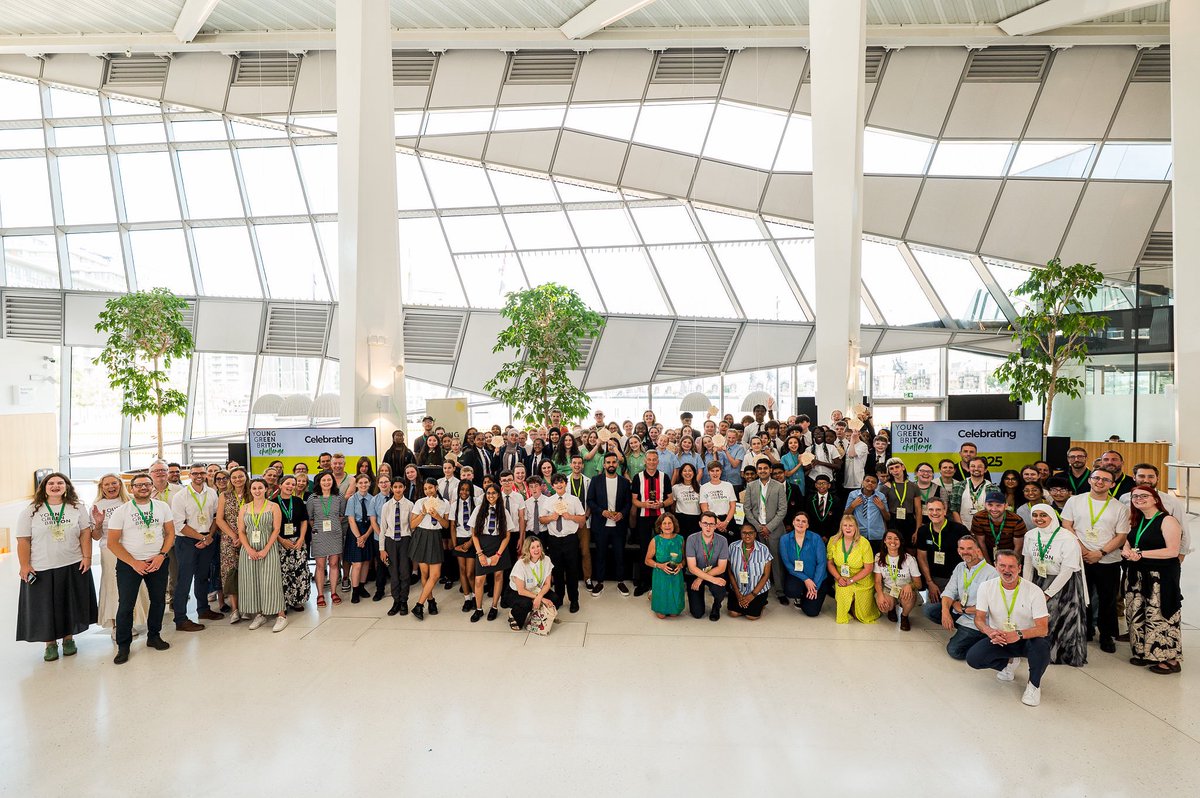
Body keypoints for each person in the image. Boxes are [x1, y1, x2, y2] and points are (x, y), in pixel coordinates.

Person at [15, 473, 98, 662]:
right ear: (43, 487)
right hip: (42, 566)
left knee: (69, 604)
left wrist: (87, 557)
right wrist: (25, 565)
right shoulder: (31, 511)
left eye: (60, 483)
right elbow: (23, 540)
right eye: (51, 483)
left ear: (67, 486)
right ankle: (50, 644)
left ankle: (68, 639)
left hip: (72, 563)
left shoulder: (77, 507)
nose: (55, 486)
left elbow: (85, 533)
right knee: (45, 608)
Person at [967, 549, 1051, 707]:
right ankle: (1008, 664)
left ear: (1019, 568)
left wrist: (1018, 634)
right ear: (995, 566)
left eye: (1011, 566)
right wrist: (989, 631)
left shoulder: (1034, 591)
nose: (1007, 570)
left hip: (1027, 639)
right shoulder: (986, 587)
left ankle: (1034, 686)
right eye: (1002, 565)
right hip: (1000, 638)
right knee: (973, 658)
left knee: (1042, 648)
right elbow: (979, 619)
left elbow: (1043, 629)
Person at [107, 473, 175, 664]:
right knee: (126, 606)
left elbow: (170, 533)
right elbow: (112, 543)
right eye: (138, 485)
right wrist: (133, 562)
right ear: (131, 488)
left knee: (158, 601)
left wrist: (161, 555)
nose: (143, 488)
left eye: (147, 484)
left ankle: (154, 636)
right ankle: (123, 645)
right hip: (130, 565)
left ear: (152, 486)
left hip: (157, 562)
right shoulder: (122, 511)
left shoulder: (162, 507)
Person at [1059, 469, 1129, 653]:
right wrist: (1082, 549)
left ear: (1112, 484)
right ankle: (1085, 630)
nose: (1100, 482)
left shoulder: (1119, 507)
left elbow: (1121, 536)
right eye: (1096, 478)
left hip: (1108, 559)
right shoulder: (1074, 501)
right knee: (1082, 597)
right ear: (1090, 480)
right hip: (1080, 557)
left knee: (1108, 599)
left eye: (1105, 480)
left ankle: (1107, 635)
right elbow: (1066, 525)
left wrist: (1101, 552)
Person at [1123, 487, 1183, 674]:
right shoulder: (1137, 520)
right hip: (1137, 576)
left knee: (1160, 617)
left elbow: (1172, 551)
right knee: (1137, 615)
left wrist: (1139, 554)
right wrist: (1127, 551)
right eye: (1135, 497)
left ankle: (1169, 659)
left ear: (1155, 499)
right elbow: (1130, 541)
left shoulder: (1168, 520)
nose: (1139, 499)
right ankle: (1144, 653)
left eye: (1144, 496)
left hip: (1159, 578)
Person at [1022, 504, 1087, 667]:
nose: (1039, 519)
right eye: (1035, 515)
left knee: (1062, 619)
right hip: (1040, 579)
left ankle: (1062, 655)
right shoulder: (1030, 535)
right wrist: (1026, 587)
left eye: (1043, 515)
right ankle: (1040, 652)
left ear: (1052, 516)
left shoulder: (1067, 538)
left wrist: (1048, 593)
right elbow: (1028, 563)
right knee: (1040, 618)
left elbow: (1067, 570)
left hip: (1064, 583)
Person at [92, 474, 148, 641]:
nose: (111, 487)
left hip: (132, 549)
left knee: (133, 586)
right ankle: (118, 625)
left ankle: (132, 620)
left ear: (120, 485)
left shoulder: (130, 501)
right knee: (114, 587)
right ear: (102, 487)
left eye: (114, 483)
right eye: (107, 484)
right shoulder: (97, 506)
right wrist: (99, 523)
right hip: (109, 551)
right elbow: (95, 536)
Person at [169, 464, 222, 631]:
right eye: (195, 473)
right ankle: (180, 618)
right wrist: (202, 537)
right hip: (187, 541)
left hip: (208, 538)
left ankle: (203, 609)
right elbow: (179, 524)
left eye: (202, 473)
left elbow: (215, 518)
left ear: (206, 474)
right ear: (189, 475)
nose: (199, 475)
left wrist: (209, 537)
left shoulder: (212, 493)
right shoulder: (180, 496)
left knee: (203, 576)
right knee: (184, 580)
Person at [927, 536, 997, 660]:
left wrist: (963, 610)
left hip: (977, 619)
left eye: (970, 548)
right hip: (959, 611)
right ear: (958, 550)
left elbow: (991, 607)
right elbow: (949, 591)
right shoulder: (960, 567)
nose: (965, 552)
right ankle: (962, 631)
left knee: (954, 651)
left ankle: (982, 639)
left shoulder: (991, 573)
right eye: (962, 548)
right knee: (929, 610)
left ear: (978, 550)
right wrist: (946, 612)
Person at [236, 478, 286, 632]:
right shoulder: (245, 508)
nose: (257, 491)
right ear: (250, 490)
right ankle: (260, 614)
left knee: (271, 580)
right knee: (252, 581)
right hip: (249, 549)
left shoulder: (273, 507)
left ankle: (281, 615)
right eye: (254, 488)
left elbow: (276, 530)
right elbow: (241, 531)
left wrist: (265, 549)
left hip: (268, 548)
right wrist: (249, 549)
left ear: (266, 489)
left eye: (260, 488)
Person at [586, 453, 633, 597]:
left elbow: (628, 503)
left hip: (619, 525)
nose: (611, 464)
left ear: (617, 464)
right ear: (604, 465)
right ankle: (600, 582)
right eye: (608, 462)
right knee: (600, 555)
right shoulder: (596, 480)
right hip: (601, 524)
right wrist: (602, 512)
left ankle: (620, 581)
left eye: (614, 462)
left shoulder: (624, 482)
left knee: (620, 555)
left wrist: (622, 514)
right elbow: (590, 500)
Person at [539, 473, 586, 613]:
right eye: (556, 483)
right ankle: (558, 598)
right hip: (554, 540)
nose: (559, 485)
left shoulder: (574, 500)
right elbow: (541, 519)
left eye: (562, 482)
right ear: (552, 486)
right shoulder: (548, 501)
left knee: (572, 571)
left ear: (566, 483)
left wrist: (570, 516)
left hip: (570, 539)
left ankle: (574, 600)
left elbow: (582, 520)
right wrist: (551, 518)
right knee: (557, 571)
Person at [741, 459, 787, 603]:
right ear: (757, 471)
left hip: (774, 529)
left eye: (765, 468)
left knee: (776, 561)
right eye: (759, 469)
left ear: (770, 470)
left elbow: (782, 509)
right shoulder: (751, 486)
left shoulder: (779, 486)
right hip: (757, 530)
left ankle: (780, 591)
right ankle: (760, 591)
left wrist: (769, 527)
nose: (762, 471)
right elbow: (747, 509)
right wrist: (759, 527)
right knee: (758, 561)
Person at [631, 451, 674, 597]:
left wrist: (661, 503)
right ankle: (644, 582)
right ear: (645, 461)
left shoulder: (664, 477)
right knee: (645, 549)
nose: (651, 462)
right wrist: (646, 505)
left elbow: (670, 499)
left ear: (657, 461)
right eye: (649, 459)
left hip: (661, 519)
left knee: (662, 549)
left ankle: (661, 579)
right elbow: (634, 500)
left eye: (654, 459)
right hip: (643, 517)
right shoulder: (638, 477)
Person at [469, 484, 514, 623]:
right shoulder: (479, 509)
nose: (491, 496)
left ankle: (494, 607)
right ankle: (479, 608)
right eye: (488, 493)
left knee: (498, 576)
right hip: (482, 545)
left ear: (498, 495)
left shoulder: (504, 511)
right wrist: (480, 554)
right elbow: (474, 534)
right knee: (479, 580)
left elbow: (507, 535)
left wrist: (498, 555)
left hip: (498, 546)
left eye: (494, 493)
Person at [408, 478, 448, 620]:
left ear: (436, 487)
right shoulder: (420, 502)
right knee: (424, 574)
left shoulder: (445, 504)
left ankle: (419, 604)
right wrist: (423, 513)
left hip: (435, 536)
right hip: (421, 536)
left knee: (435, 574)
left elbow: (446, 525)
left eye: (430, 488)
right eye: (425, 489)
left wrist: (436, 516)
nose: (428, 491)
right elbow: (412, 525)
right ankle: (431, 601)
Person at [826, 515, 879, 624]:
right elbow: (830, 563)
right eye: (845, 525)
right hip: (842, 578)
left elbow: (868, 568)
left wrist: (852, 580)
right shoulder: (833, 541)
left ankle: (855, 605)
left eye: (851, 525)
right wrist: (838, 577)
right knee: (844, 593)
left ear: (856, 528)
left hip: (862, 579)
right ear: (841, 527)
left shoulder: (864, 543)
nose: (848, 528)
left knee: (863, 616)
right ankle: (849, 605)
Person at [916, 498, 969, 605]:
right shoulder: (923, 531)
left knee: (956, 609)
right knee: (931, 611)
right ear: (926, 511)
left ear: (945, 511)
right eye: (931, 510)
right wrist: (930, 582)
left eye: (938, 510)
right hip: (936, 579)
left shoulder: (959, 530)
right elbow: (922, 558)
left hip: (957, 577)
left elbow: (970, 554)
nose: (934, 513)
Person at [306, 470, 346, 608]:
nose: (327, 482)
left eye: (329, 480)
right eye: (324, 480)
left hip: (335, 533)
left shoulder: (339, 496)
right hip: (319, 535)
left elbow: (341, 515)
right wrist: (318, 528)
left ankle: (334, 592)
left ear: (333, 481)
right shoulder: (313, 498)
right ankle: (320, 594)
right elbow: (310, 518)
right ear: (319, 482)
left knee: (334, 564)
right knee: (320, 566)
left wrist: (333, 525)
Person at [778, 513, 827, 617]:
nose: (800, 523)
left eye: (804, 521)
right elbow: (788, 564)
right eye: (798, 520)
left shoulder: (816, 538)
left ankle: (808, 593)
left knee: (812, 612)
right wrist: (806, 580)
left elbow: (821, 564)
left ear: (807, 525)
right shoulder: (784, 539)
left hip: (816, 578)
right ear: (793, 522)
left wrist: (815, 586)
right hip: (798, 576)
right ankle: (800, 594)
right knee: (791, 590)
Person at [274, 475, 310, 612]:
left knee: (298, 571)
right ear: (281, 485)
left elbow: (304, 521)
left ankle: (297, 600)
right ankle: (284, 600)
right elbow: (270, 527)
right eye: (287, 483)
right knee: (283, 572)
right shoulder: (273, 503)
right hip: (280, 542)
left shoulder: (298, 501)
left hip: (297, 541)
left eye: (293, 484)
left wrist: (301, 539)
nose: (290, 487)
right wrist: (281, 540)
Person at [685, 512, 730, 621]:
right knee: (697, 613)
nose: (708, 527)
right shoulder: (691, 539)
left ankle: (716, 606)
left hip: (713, 572)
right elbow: (692, 567)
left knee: (720, 587)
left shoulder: (723, 540)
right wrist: (702, 577)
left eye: (711, 524)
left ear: (716, 525)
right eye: (705, 523)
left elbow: (722, 568)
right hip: (694, 574)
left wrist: (701, 578)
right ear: (700, 524)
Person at [379, 478, 413, 616]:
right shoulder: (386, 506)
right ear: (391, 488)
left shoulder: (410, 505)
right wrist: (382, 549)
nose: (398, 489)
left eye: (400, 486)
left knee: (404, 572)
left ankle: (404, 601)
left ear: (404, 487)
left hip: (405, 540)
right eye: (395, 487)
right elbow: (383, 528)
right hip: (390, 541)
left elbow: (412, 526)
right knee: (393, 573)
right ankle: (396, 601)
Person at [726, 525, 773, 620]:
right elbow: (730, 571)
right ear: (740, 534)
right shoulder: (732, 547)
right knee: (733, 613)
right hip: (738, 589)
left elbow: (766, 575)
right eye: (744, 533)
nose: (747, 535)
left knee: (751, 616)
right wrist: (738, 594)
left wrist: (752, 595)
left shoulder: (763, 549)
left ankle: (762, 602)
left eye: (750, 533)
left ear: (755, 534)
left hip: (757, 590)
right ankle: (748, 603)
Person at [508, 537, 555, 631]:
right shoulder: (520, 564)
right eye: (532, 547)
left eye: (538, 546)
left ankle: (534, 614)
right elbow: (521, 591)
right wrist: (539, 599)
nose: (536, 549)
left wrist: (539, 597)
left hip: (535, 589)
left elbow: (547, 584)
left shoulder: (546, 560)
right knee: (526, 604)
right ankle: (513, 614)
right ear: (527, 549)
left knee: (554, 599)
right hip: (517, 592)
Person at [970, 491, 1027, 565]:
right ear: (985, 505)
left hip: (1010, 554)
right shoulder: (978, 518)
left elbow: (1018, 548)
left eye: (998, 505)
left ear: (1006, 506)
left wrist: (1011, 565)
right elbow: (981, 543)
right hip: (987, 554)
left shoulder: (1016, 520)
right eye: (990, 505)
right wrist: (988, 565)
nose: (994, 509)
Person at [645, 513, 685, 618]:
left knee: (674, 614)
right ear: (660, 526)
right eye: (664, 523)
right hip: (661, 576)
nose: (667, 525)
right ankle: (653, 595)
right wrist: (660, 565)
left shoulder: (681, 539)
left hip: (676, 576)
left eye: (670, 523)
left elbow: (685, 560)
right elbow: (647, 560)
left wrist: (680, 565)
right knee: (661, 616)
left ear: (674, 525)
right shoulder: (655, 540)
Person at [845, 473, 892, 552]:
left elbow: (887, 518)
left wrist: (882, 508)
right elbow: (845, 515)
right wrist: (852, 506)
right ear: (862, 482)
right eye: (867, 481)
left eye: (873, 482)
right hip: (859, 534)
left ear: (877, 485)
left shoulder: (881, 497)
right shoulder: (853, 495)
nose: (870, 483)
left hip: (877, 535)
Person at [949, 458, 997, 524]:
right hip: (963, 528)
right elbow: (954, 509)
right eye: (973, 466)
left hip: (985, 528)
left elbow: (995, 510)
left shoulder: (993, 488)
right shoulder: (959, 486)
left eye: (979, 466)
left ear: (985, 469)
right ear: (968, 469)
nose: (976, 469)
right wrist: (962, 529)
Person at [698, 461, 737, 541]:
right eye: (712, 471)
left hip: (728, 520)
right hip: (712, 522)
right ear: (708, 472)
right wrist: (717, 522)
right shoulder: (704, 487)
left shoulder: (728, 486)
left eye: (717, 470)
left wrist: (726, 522)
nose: (715, 473)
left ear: (721, 471)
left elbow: (733, 506)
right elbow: (704, 508)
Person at [671, 462, 703, 536]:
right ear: (681, 473)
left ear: (694, 473)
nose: (687, 473)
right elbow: (673, 505)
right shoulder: (675, 488)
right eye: (685, 471)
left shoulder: (700, 488)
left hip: (696, 519)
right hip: (681, 519)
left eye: (690, 470)